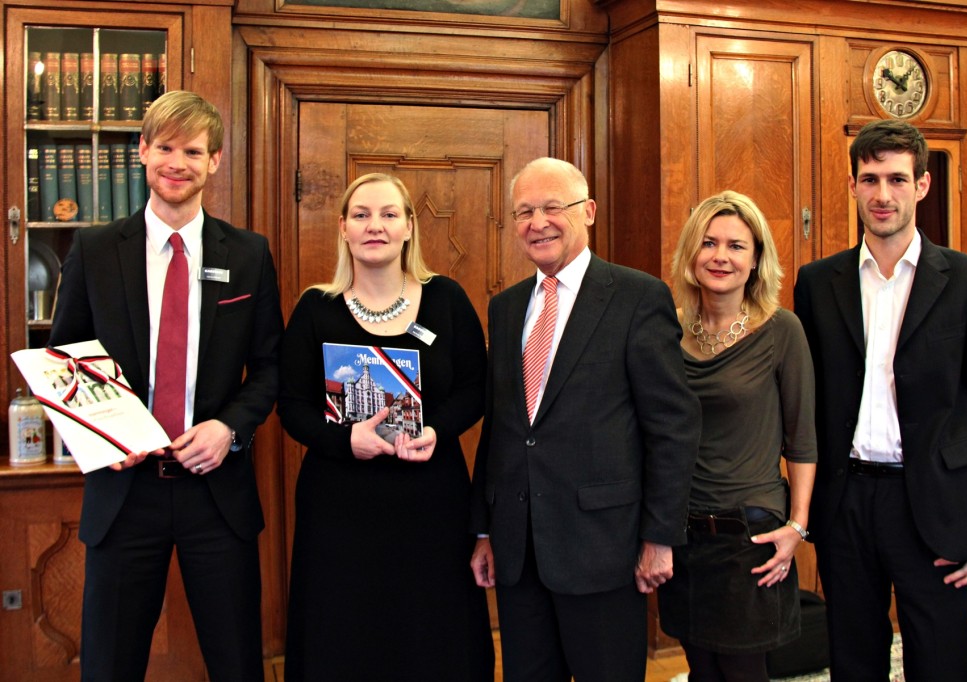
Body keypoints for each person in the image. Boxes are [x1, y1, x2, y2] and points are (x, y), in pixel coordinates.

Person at [49, 90, 283, 680]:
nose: (178, 162)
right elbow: (61, 364)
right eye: (166, 147)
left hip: (217, 493)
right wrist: (104, 437)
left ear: (215, 162)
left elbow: (271, 365)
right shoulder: (96, 250)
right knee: (109, 664)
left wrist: (229, 428)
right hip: (124, 494)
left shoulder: (250, 254)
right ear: (143, 152)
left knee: (237, 663)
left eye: (194, 150)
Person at [793, 119, 967, 681]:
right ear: (852, 187)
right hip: (847, 505)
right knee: (854, 659)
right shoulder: (818, 283)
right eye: (870, 179)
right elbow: (807, 401)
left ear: (922, 185)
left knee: (941, 661)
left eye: (897, 179)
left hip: (935, 507)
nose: (883, 195)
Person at [469, 157, 701, 682]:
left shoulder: (637, 297)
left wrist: (659, 536)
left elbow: (672, 427)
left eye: (554, 207)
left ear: (589, 211)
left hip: (604, 547)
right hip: (519, 549)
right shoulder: (505, 308)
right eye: (524, 211)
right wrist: (484, 529)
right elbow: (503, 429)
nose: (538, 222)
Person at [277, 172, 494, 680]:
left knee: (431, 635)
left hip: (432, 503)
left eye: (389, 214)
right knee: (344, 636)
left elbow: (475, 390)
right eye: (362, 215)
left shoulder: (447, 299)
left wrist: (436, 430)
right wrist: (342, 439)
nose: (375, 226)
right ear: (343, 228)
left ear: (409, 228)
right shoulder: (315, 308)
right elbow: (291, 406)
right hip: (339, 506)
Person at [656, 190, 817, 682]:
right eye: (708, 243)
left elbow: (802, 439)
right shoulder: (667, 331)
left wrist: (798, 526)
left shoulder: (782, 331)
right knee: (702, 669)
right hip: (681, 536)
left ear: (756, 260)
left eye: (736, 245)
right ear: (691, 254)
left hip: (750, 537)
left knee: (744, 672)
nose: (720, 256)